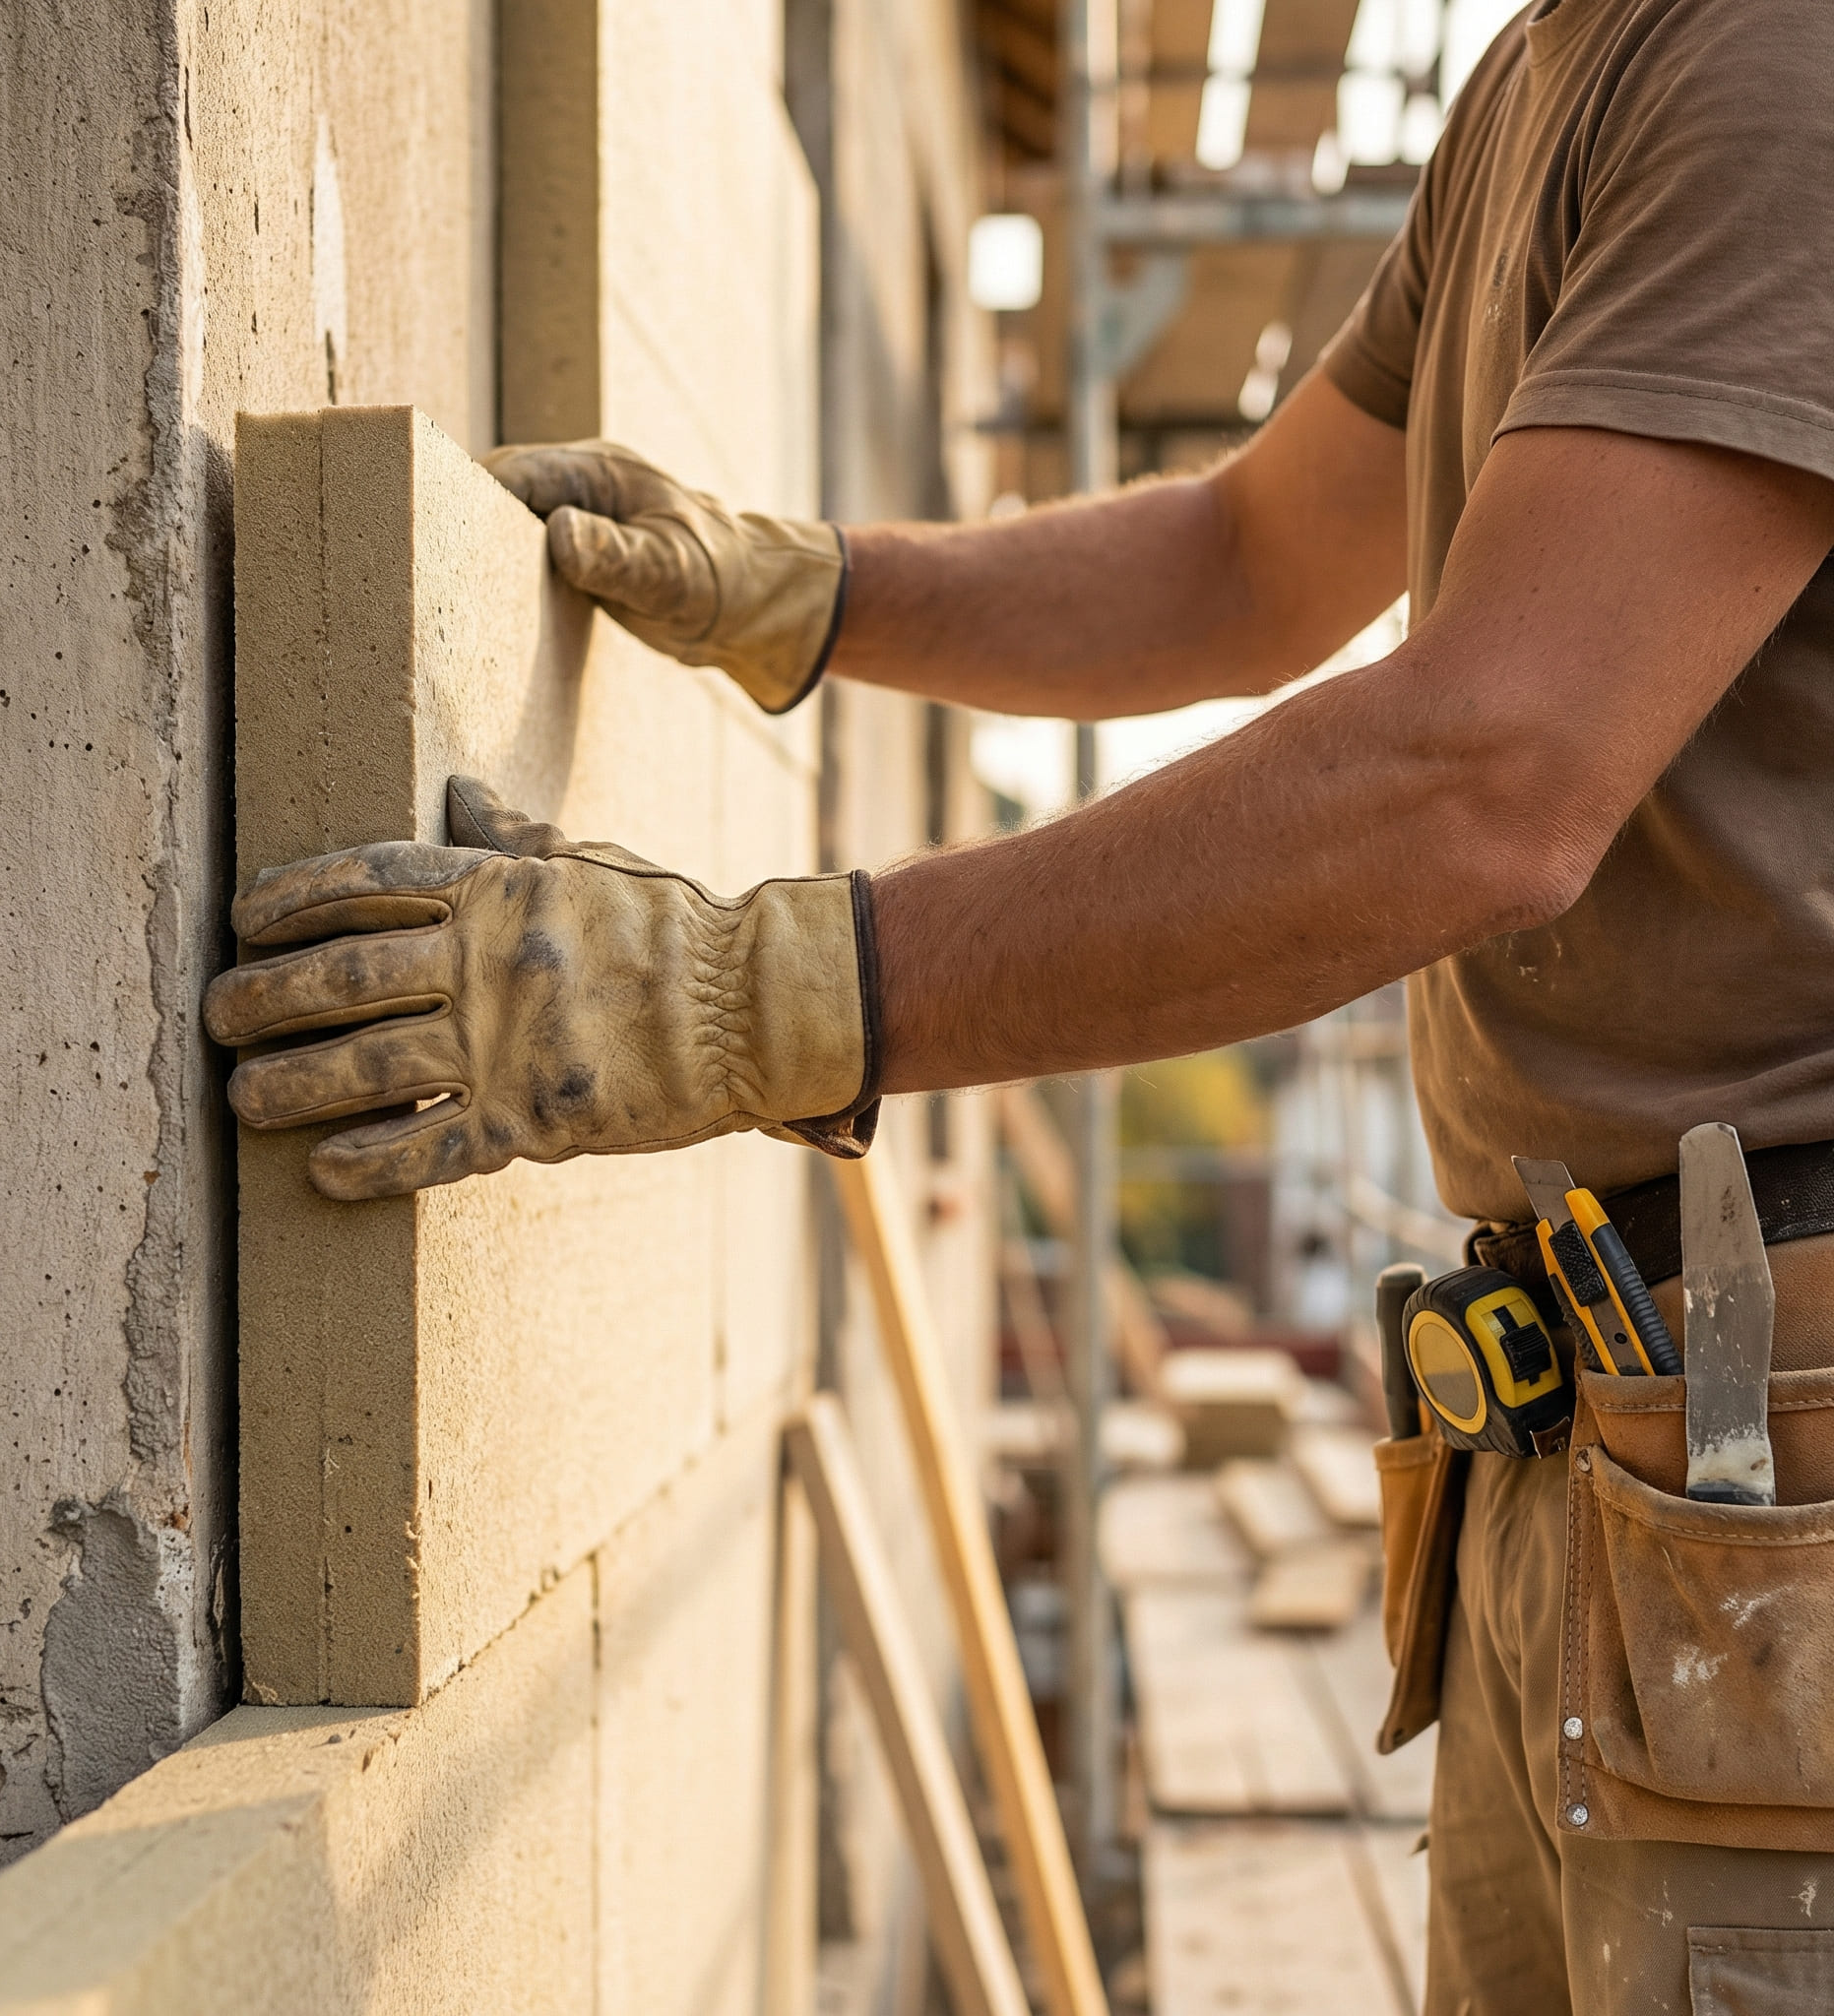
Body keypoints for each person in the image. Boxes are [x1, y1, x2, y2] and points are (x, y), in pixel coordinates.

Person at [205, 4, 1834, 2007]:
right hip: (1605, 1431)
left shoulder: (1773, 63)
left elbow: (1483, 778)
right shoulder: (1549, 75)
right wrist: (815, 593)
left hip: (1778, 1452)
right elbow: (1247, 557)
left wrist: (749, 994)